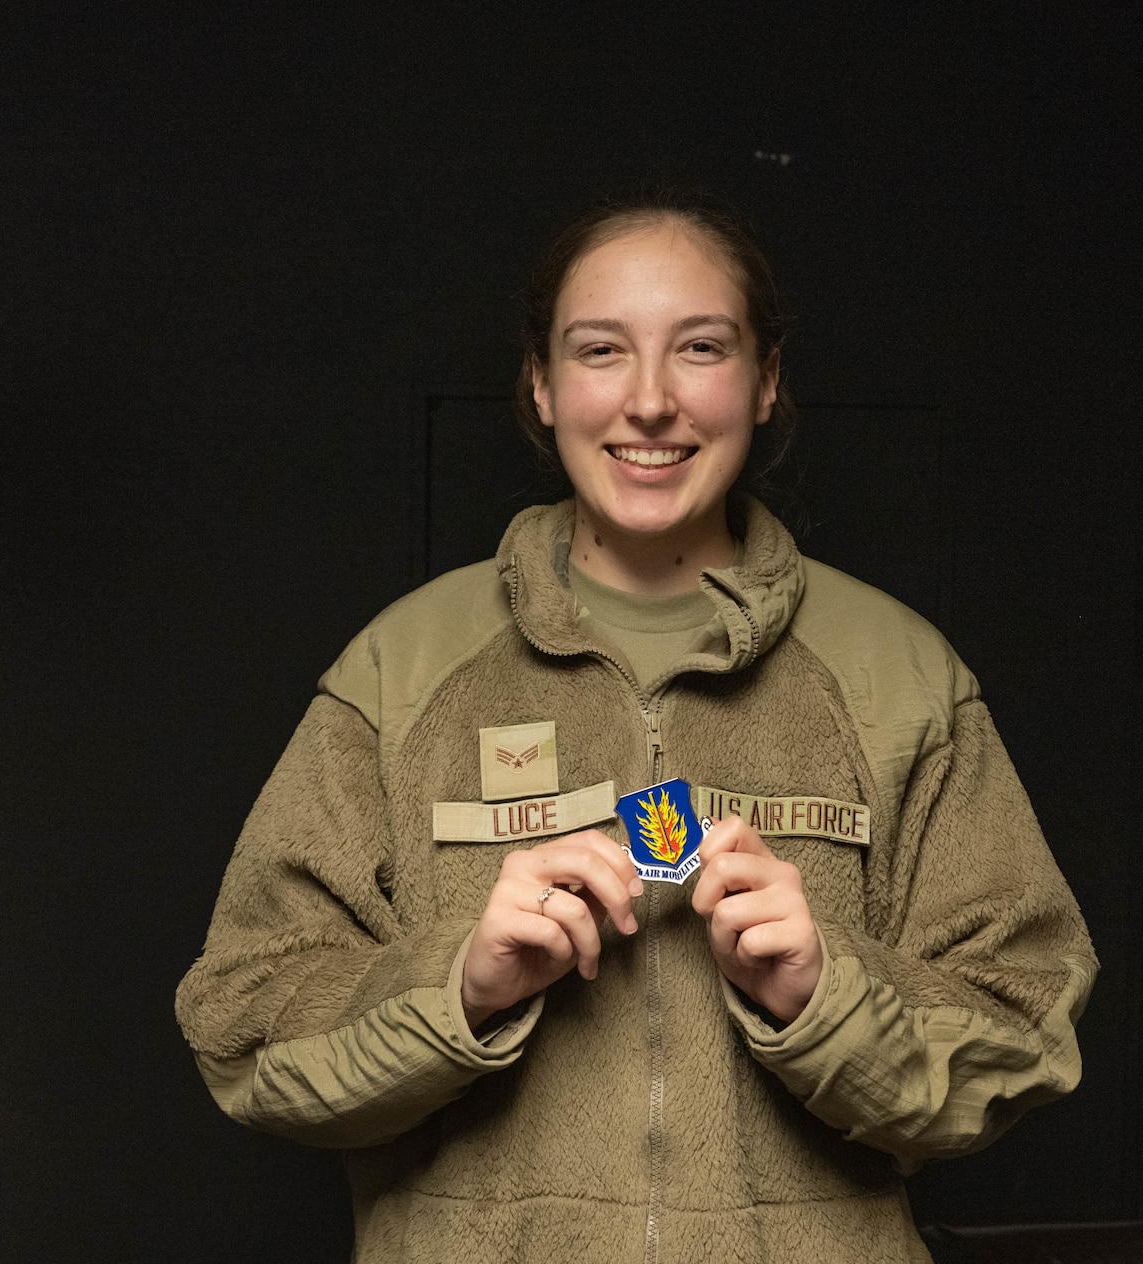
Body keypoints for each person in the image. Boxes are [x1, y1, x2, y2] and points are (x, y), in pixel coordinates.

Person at [175, 188, 1096, 1264]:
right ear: (541, 382)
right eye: (600, 350)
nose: (650, 401)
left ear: (764, 381)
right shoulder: (403, 669)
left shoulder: (897, 676)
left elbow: (1023, 1030)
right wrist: (459, 987)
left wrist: (825, 996)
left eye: (699, 347)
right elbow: (244, 1026)